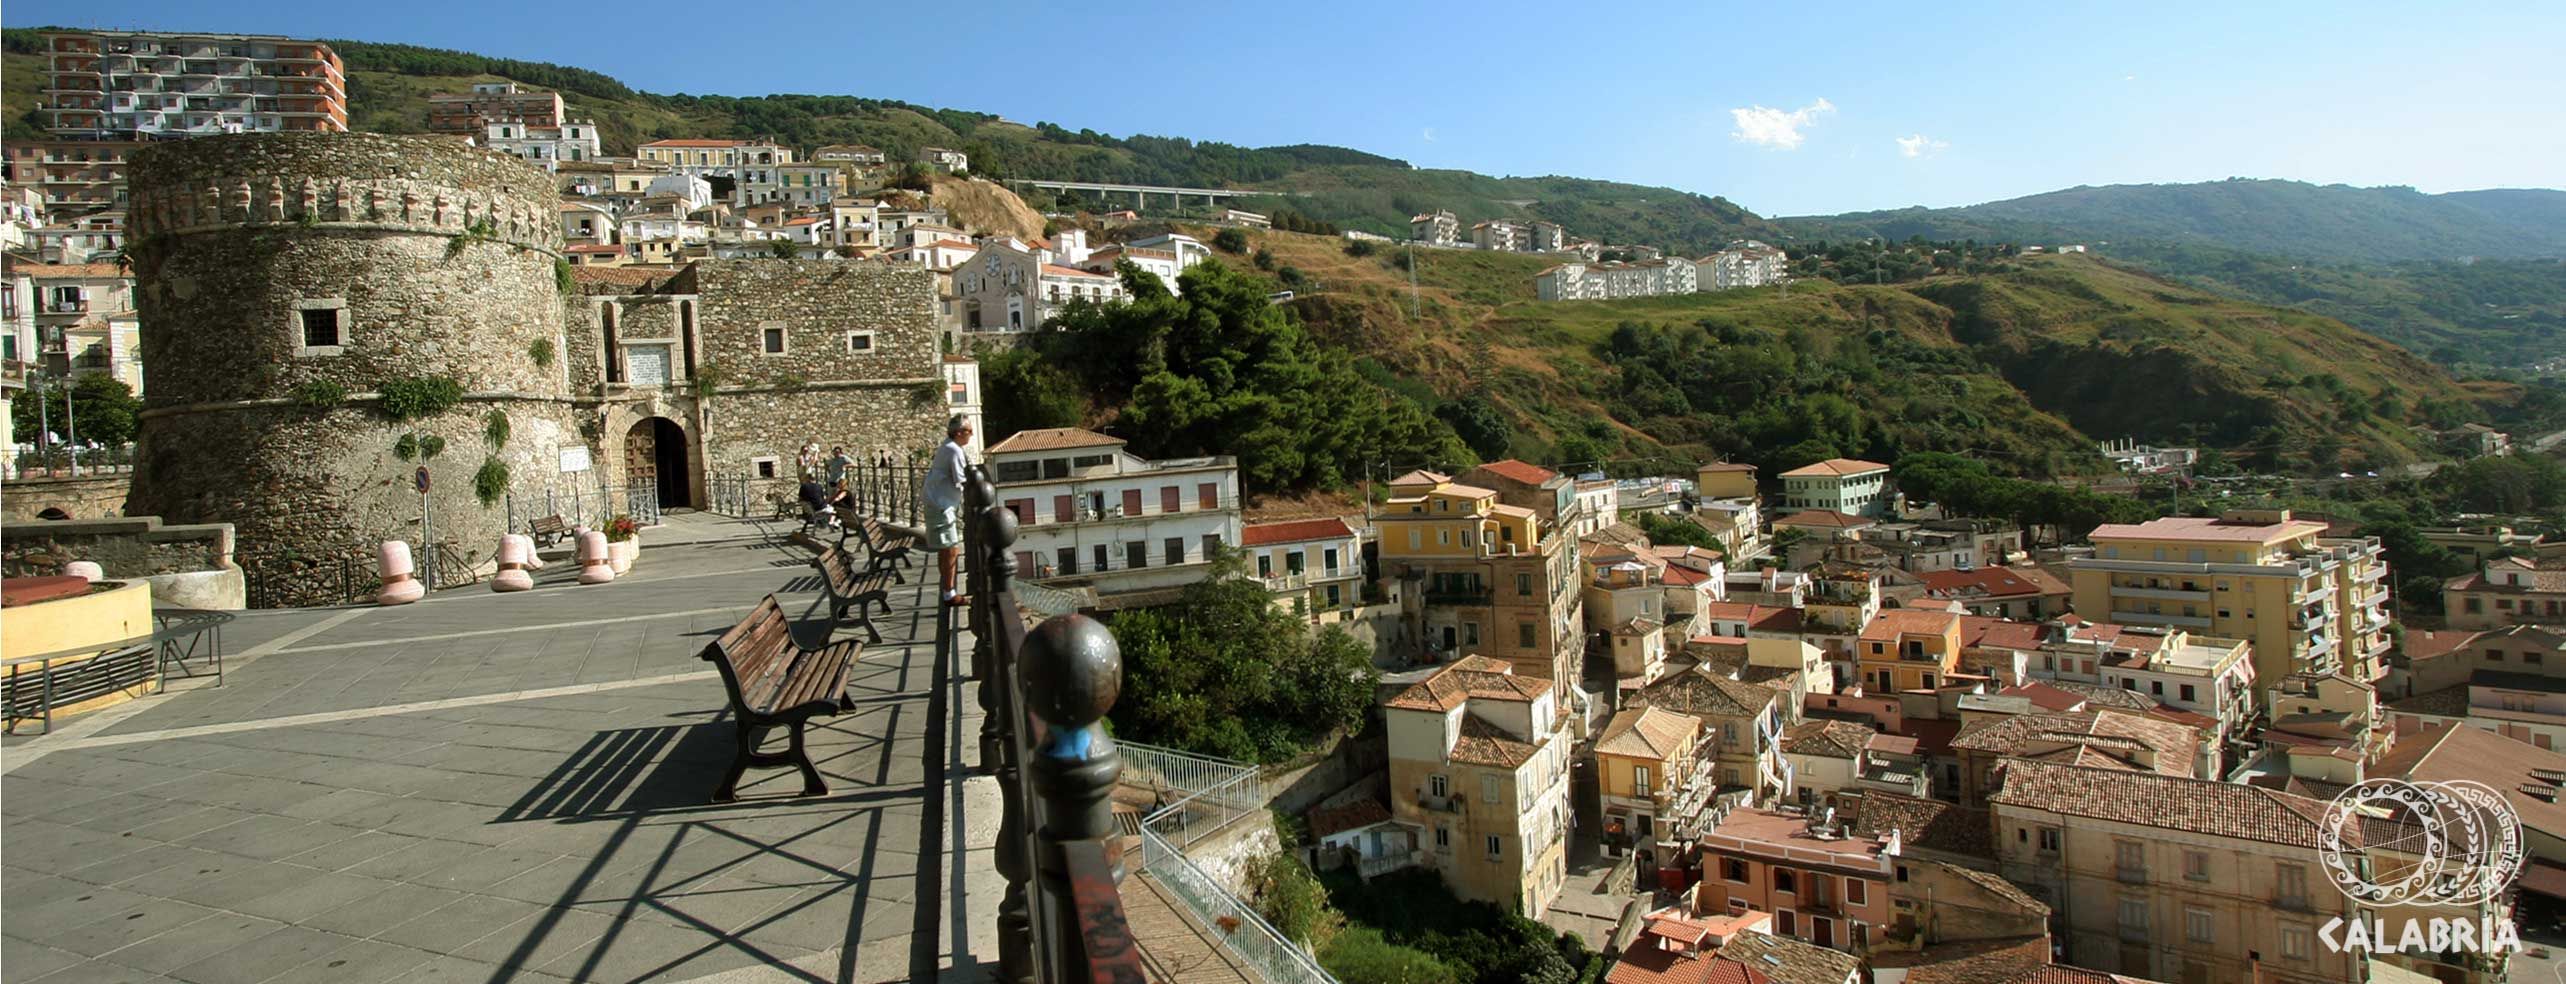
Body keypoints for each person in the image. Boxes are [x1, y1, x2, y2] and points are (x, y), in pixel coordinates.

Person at [923, 414, 974, 606]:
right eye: (969, 431)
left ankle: (947, 589)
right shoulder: (954, 451)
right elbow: (961, 480)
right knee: (952, 549)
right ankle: (949, 594)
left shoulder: (947, 447)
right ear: (959, 433)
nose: (972, 435)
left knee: (946, 550)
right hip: (942, 507)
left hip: (938, 504)